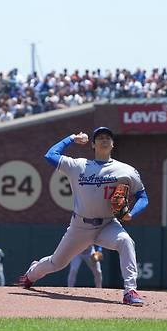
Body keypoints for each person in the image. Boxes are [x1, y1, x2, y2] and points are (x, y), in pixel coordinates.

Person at [17, 126, 149, 306]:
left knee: (126, 242)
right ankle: (31, 275)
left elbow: (143, 197)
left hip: (108, 224)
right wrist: (71, 138)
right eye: (100, 137)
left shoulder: (126, 170)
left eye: (107, 137)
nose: (104, 139)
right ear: (93, 144)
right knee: (56, 263)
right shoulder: (78, 165)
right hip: (80, 226)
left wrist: (132, 214)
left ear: (112, 144)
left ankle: (130, 291)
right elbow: (50, 155)